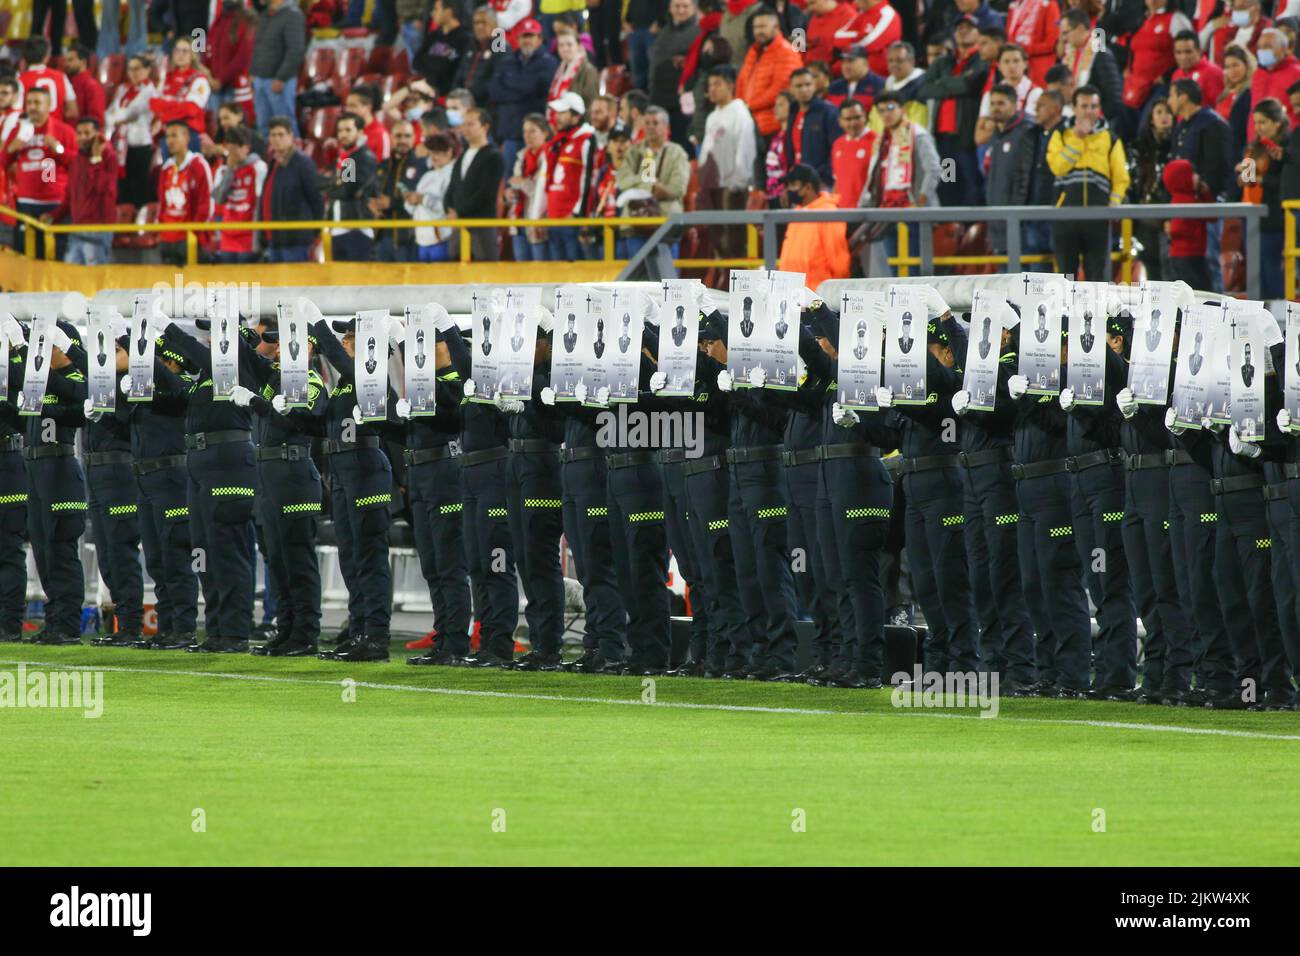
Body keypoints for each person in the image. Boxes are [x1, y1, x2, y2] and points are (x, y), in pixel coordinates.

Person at [1047, 85, 1130, 281]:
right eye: (1084, 106)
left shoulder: (1111, 138)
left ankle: (1098, 314)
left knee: (1097, 278)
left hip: (1098, 218)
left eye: (1093, 106)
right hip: (1065, 216)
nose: (1089, 111)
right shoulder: (1060, 133)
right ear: (1074, 108)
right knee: (1065, 278)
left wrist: (1113, 205)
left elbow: (1121, 178)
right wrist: (1077, 138)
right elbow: (1058, 167)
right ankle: (1065, 313)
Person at [856, 89, 942, 277]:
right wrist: (863, 205)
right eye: (881, 111)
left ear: (902, 109)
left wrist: (920, 201)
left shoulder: (918, 135)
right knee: (893, 267)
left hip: (914, 211)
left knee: (916, 268)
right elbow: (874, 175)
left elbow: (934, 169)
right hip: (887, 211)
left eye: (890, 108)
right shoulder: (882, 140)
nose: (886, 114)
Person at [920, 15, 990, 207]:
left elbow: (969, 86)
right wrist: (956, 85)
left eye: (969, 27)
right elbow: (924, 89)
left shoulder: (981, 61)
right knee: (948, 184)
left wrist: (942, 85)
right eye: (959, 28)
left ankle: (973, 232)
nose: (963, 31)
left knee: (972, 184)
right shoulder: (944, 62)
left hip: (967, 138)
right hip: (945, 139)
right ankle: (950, 230)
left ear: (978, 33)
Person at [4, 87, 76, 260]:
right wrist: (11, 148)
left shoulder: (63, 130)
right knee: (24, 254)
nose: (32, 107)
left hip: (54, 204)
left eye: (37, 102)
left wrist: (58, 148)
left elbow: (77, 163)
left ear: (49, 105)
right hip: (25, 204)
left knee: (53, 254)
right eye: (29, 102)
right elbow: (3, 162)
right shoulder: (19, 132)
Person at [1237, 97, 1296, 298]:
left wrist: (1260, 179)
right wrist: (1244, 175)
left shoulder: (1286, 147)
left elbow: (1285, 183)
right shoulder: (1255, 145)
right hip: (1250, 214)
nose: (1258, 127)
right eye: (1255, 123)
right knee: (1255, 273)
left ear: (1277, 122)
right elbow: (1246, 179)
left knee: (1272, 271)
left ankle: (1280, 319)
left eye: (1263, 122)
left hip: (1273, 217)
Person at [616, 105, 690, 261]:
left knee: (667, 281)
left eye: (655, 123)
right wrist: (650, 186)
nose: (650, 127)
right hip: (635, 224)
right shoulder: (633, 151)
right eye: (647, 123)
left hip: (665, 225)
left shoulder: (677, 153)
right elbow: (622, 181)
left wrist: (660, 189)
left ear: (666, 127)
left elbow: (678, 188)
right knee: (637, 282)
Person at [490, 18, 557, 179]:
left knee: (532, 181)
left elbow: (532, 88)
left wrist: (511, 89)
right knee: (508, 182)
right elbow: (494, 90)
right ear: (518, 39)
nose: (527, 40)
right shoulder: (507, 60)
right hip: (509, 132)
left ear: (540, 39)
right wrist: (520, 89)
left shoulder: (549, 62)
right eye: (524, 36)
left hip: (534, 136)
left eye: (531, 36)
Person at [55, 117, 119, 266]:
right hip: (77, 228)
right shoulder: (77, 160)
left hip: (98, 230)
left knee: (95, 281)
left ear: (97, 134)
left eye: (87, 133)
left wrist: (96, 159)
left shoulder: (109, 157)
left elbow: (102, 188)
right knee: (70, 278)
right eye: (79, 133)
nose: (82, 137)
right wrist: (54, 215)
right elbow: (70, 196)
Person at [984, 84, 1038, 257]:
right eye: (992, 104)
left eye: (1001, 104)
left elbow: (1024, 178)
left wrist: (1016, 214)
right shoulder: (996, 134)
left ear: (1014, 105)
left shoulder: (1025, 132)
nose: (995, 108)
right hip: (997, 221)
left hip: (1017, 223)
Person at [262, 116, 325, 263]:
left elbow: (316, 200)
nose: (277, 139)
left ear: (291, 136)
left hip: (296, 239)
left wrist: (315, 232)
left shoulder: (303, 163)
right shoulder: (273, 163)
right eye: (273, 135)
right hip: (275, 239)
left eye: (281, 134)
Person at [445, 107, 505, 262]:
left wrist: (459, 212)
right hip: (459, 225)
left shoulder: (493, 156)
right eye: (464, 124)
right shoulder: (462, 155)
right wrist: (448, 207)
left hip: (481, 224)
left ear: (485, 127)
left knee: (486, 269)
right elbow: (453, 186)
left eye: (471, 124)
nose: (465, 129)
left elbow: (486, 192)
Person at [776, 165, 851, 287]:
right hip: (792, 295)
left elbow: (838, 262)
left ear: (808, 187)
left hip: (816, 296)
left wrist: (834, 293)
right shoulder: (797, 212)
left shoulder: (828, 213)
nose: (789, 190)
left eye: (793, 184)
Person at [1126, 97, 1175, 281]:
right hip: (1144, 218)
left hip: (1169, 217)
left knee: (1169, 270)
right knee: (1150, 269)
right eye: (1159, 112)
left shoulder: (1178, 145)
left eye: (1168, 112)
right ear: (1150, 117)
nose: (1164, 117)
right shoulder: (1138, 148)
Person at [736, 7, 805, 138]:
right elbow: (741, 81)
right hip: (748, 121)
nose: (758, 31)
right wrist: (739, 107)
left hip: (771, 125)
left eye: (763, 27)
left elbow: (780, 88)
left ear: (776, 26)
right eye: (756, 27)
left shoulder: (787, 52)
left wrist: (750, 105)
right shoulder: (753, 51)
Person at [369, 120, 427, 263]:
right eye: (398, 136)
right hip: (379, 236)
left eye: (407, 136)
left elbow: (424, 199)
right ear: (391, 137)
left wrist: (392, 203)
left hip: (408, 237)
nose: (402, 140)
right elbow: (366, 192)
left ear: (414, 138)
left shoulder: (422, 165)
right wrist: (370, 204)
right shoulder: (381, 166)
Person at [106, 55, 158, 208]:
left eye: (137, 68)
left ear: (147, 70)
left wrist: (118, 117)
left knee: (139, 186)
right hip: (122, 145)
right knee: (123, 185)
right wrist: (117, 117)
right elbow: (109, 114)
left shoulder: (149, 91)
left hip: (140, 144)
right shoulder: (124, 89)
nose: (133, 73)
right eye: (130, 69)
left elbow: (131, 113)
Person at [211, 126, 268, 265]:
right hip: (228, 235)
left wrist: (257, 238)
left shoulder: (259, 167)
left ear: (247, 148)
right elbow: (219, 199)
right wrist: (231, 170)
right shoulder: (223, 170)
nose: (234, 152)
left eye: (238, 147)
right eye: (231, 148)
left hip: (249, 235)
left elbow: (260, 203)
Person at [252, 0, 308, 136]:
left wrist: (281, 77)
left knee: (285, 127)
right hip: (260, 79)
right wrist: (253, 73)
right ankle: (269, 157)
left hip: (279, 81)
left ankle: (293, 156)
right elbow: (258, 46)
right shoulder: (266, 14)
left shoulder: (293, 15)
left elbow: (296, 50)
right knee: (264, 126)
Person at [650, 0, 700, 145]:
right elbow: (654, 66)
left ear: (694, 8)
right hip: (659, 99)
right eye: (677, 6)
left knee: (681, 149)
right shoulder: (664, 32)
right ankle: (648, 170)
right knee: (652, 149)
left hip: (681, 104)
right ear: (670, 8)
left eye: (685, 6)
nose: (681, 10)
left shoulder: (698, 33)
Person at [1059, 8, 1123, 119]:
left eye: (1066, 33)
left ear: (1080, 29)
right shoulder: (1071, 53)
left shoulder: (1101, 53)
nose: (1064, 39)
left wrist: (1098, 119)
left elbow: (1114, 96)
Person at [149, 36, 211, 150]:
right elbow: (152, 103)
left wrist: (164, 115)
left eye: (185, 51)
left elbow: (191, 109)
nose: (180, 54)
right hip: (165, 133)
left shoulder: (199, 79)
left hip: (189, 134)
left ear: (193, 55)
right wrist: (176, 106)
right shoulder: (166, 77)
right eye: (177, 50)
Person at [785, 67, 842, 189]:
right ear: (791, 89)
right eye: (799, 86)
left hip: (822, 184)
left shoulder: (828, 112)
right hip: (797, 184)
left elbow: (837, 147)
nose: (804, 89)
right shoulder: (792, 113)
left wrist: (825, 179)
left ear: (814, 86)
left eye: (808, 84)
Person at [405, 132, 458, 261]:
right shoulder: (427, 176)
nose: (433, 157)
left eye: (437, 153)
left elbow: (449, 207)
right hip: (422, 239)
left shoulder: (455, 175)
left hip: (442, 239)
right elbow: (413, 208)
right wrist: (410, 202)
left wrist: (423, 199)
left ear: (449, 152)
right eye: (431, 153)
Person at [507, 113, 552, 262]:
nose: (527, 136)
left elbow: (542, 192)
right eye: (525, 131)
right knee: (522, 275)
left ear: (545, 133)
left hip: (539, 222)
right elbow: (515, 184)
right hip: (519, 222)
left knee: (541, 273)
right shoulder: (521, 157)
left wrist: (522, 183)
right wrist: (508, 194)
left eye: (532, 131)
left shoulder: (549, 157)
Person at [205, 0, 255, 114]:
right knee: (217, 126)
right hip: (215, 85)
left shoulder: (246, 20)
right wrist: (209, 76)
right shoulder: (218, 20)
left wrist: (221, 80)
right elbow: (208, 48)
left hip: (234, 86)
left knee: (235, 125)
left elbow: (243, 58)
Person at [867, 41, 928, 131]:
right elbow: (874, 121)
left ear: (911, 61)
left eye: (899, 60)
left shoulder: (921, 86)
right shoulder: (885, 86)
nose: (894, 64)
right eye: (890, 61)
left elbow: (918, 126)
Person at [414, 0, 473, 94]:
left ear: (448, 11)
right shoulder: (433, 36)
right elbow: (416, 62)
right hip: (426, 90)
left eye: (436, 9)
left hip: (448, 93)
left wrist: (433, 62)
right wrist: (440, 63)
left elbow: (458, 69)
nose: (432, 13)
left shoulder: (465, 39)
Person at [1249, 27, 1300, 135]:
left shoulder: (1297, 73)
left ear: (1284, 48)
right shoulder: (1257, 75)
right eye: (1260, 47)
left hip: (1284, 145)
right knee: (1248, 153)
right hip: (1256, 144)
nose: (1262, 51)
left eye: (1267, 46)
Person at [833, 0, 903, 76]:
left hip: (878, 73)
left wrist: (851, 40)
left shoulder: (887, 13)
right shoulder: (862, 13)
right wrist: (860, 35)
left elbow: (871, 44)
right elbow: (837, 37)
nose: (855, 3)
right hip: (854, 64)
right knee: (834, 68)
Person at [548, 25, 600, 121]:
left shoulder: (588, 71)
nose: (565, 48)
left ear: (578, 46)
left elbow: (591, 105)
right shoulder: (559, 70)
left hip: (579, 126)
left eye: (569, 44)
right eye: (561, 45)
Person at [831, 98, 874, 210]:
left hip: (867, 211)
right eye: (848, 119)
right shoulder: (837, 144)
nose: (853, 123)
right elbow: (838, 180)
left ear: (865, 117)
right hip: (842, 211)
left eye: (857, 117)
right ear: (840, 121)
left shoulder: (877, 142)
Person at [18, 37, 76, 120]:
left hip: (30, 131)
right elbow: (72, 111)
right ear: (46, 56)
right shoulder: (61, 77)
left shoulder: (19, 80)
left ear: (24, 57)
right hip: (56, 130)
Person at [1006, 0, 1061, 85]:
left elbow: (1052, 43)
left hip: (1039, 68)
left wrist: (1024, 49)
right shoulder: (1014, 5)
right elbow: (1010, 37)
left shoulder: (1048, 5)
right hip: (1016, 65)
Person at [1219, 44, 1257, 158]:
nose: (1232, 71)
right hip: (1224, 153)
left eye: (1236, 65)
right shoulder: (1224, 95)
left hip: (1242, 154)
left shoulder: (1251, 93)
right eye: (1227, 67)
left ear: (1247, 65)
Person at [346, 85, 393, 164]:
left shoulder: (380, 134)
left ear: (368, 108)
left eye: (353, 106)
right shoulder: (347, 130)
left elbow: (382, 168)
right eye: (347, 106)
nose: (348, 110)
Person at [63, 44, 105, 126]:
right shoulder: (66, 82)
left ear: (83, 62)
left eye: (70, 60)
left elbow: (96, 121)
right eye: (66, 60)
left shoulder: (92, 86)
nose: (66, 64)